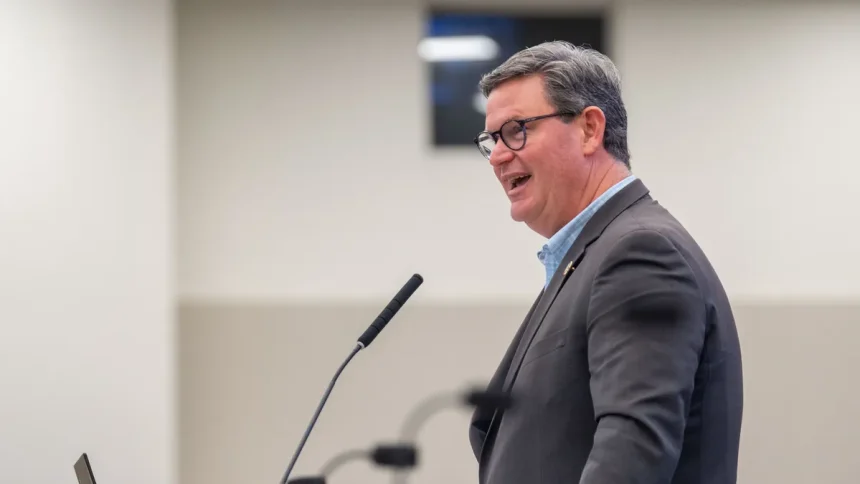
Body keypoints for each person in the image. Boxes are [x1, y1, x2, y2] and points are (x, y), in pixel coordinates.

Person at [467, 41, 744, 484]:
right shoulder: (591, 256)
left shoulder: (641, 255)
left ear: (589, 129)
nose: (498, 155)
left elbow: (631, 453)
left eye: (516, 130)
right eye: (491, 140)